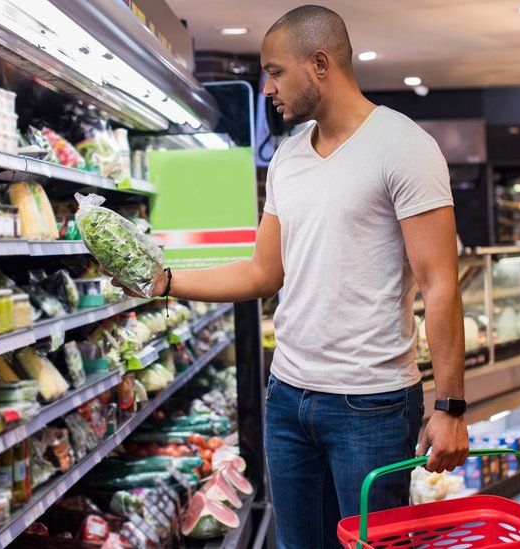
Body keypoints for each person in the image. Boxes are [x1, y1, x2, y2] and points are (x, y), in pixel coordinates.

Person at [112, 5, 468, 547]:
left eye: (275, 71)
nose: (267, 87)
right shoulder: (288, 157)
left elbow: (441, 283)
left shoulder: (404, 147)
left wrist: (450, 406)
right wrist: (163, 281)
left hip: (370, 405)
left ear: (320, 63)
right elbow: (262, 272)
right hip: (288, 397)